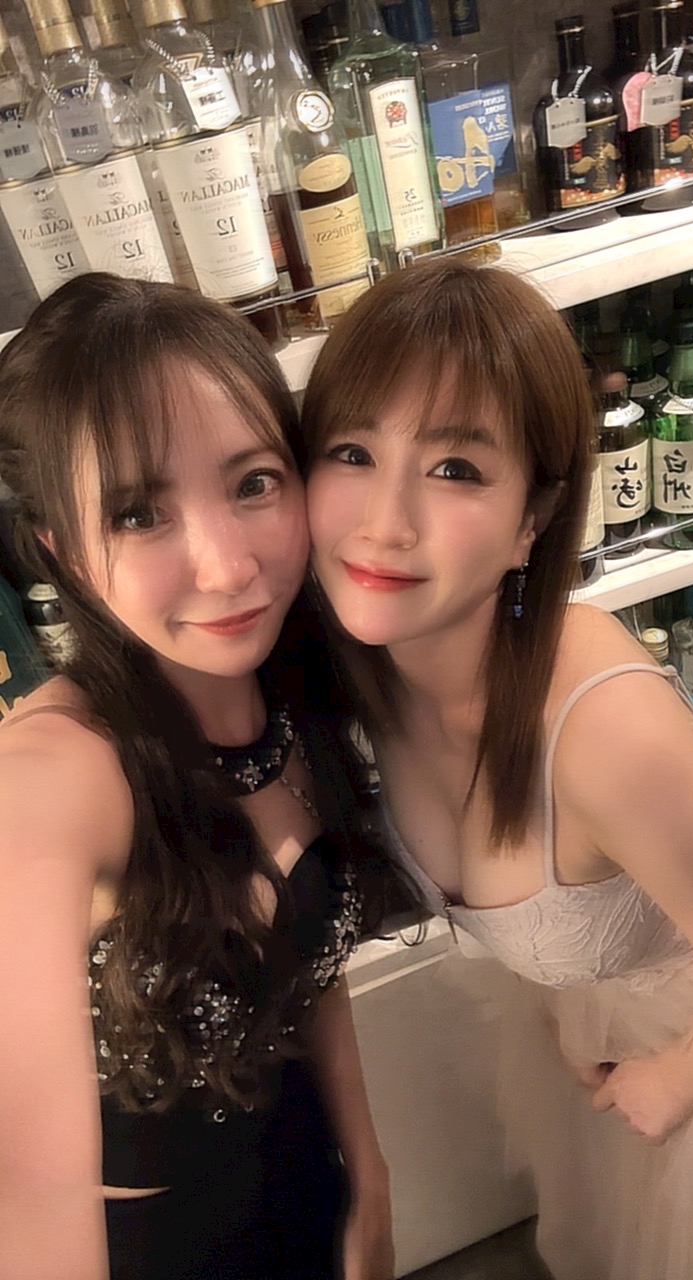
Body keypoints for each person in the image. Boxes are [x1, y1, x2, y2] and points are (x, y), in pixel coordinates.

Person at [303, 258, 693, 1280]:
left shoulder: (603, 725)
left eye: (455, 468)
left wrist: (681, 1074)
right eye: (353, 451)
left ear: (534, 517)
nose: (385, 520)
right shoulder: (361, 675)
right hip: (589, 1054)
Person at [0, 273, 394, 1280]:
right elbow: (26, 1186)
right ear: (63, 552)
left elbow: (311, 975)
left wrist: (370, 1171)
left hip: (307, 1178)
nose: (227, 567)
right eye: (139, 513)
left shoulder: (299, 691)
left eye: (253, 482)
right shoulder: (55, 777)